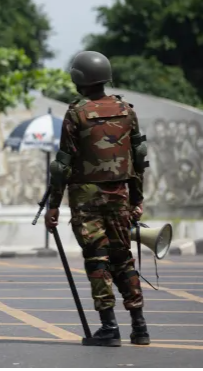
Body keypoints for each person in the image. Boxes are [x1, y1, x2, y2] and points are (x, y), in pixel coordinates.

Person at [45, 50, 150, 348]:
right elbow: (139, 160)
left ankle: (109, 327)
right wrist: (136, 200)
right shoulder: (126, 110)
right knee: (122, 257)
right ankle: (140, 326)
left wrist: (53, 205)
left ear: (78, 79)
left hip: (86, 198)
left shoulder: (76, 113)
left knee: (97, 259)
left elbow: (63, 165)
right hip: (120, 197)